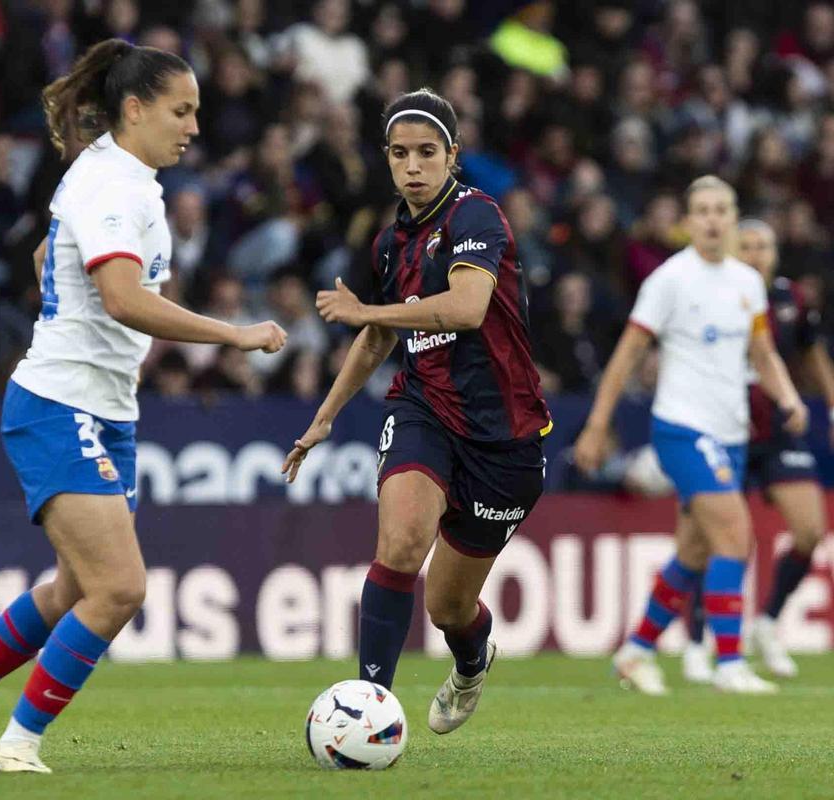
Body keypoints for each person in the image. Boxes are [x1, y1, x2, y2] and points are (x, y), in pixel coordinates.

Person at [0, 39, 286, 774]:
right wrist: (232, 333)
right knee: (119, 588)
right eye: (181, 110)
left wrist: (70, 309)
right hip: (59, 401)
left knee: (75, 588)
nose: (193, 127)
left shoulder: (110, 175)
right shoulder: (114, 186)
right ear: (135, 109)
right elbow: (124, 297)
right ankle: (16, 747)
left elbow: (48, 259)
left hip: (105, 407)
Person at [282, 89, 552, 736]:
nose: (412, 166)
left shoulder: (477, 217)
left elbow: (464, 309)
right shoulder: (388, 243)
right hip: (424, 408)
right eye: (400, 154)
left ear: (452, 156)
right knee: (401, 543)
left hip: (504, 436)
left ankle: (470, 661)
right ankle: (366, 709)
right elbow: (377, 339)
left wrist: (368, 311)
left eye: (427, 153)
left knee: (450, 606)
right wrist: (324, 416)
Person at [575, 176, 805, 695]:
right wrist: (596, 424)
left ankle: (635, 651)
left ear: (733, 214)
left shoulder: (747, 282)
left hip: (732, 433)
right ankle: (729, 662)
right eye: (701, 210)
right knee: (735, 535)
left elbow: (763, 352)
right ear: (688, 218)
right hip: (682, 427)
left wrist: (787, 397)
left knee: (696, 551)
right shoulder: (669, 280)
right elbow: (627, 356)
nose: (712, 219)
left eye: (721, 209)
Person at [681, 218, 834, 681]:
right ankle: (695, 642)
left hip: (778, 429)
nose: (755, 253)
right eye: (745, 245)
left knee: (809, 532)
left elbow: (810, 351)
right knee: (710, 539)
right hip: (720, 426)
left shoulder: (790, 298)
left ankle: (766, 624)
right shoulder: (709, 292)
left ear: (774, 252)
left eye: (763, 245)